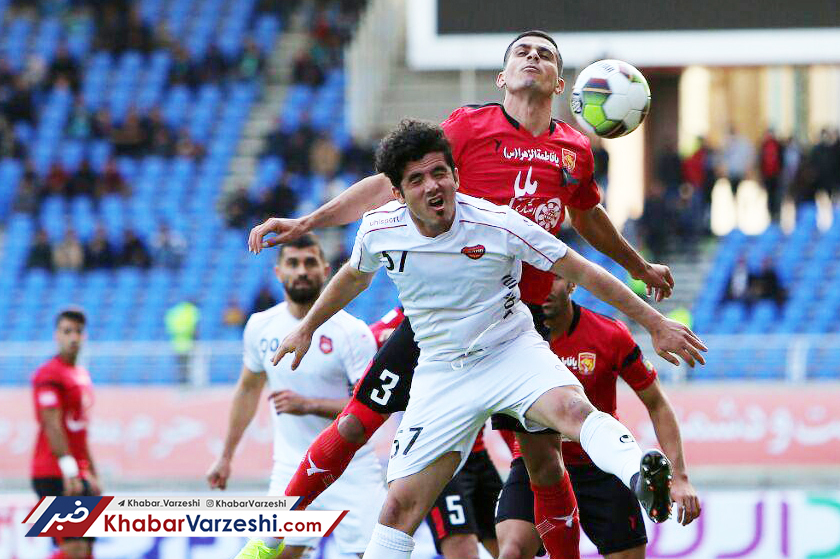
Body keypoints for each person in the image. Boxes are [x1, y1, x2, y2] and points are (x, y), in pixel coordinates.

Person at [243, 31, 678, 559]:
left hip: (515, 326)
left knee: (547, 457)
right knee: (362, 433)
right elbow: (387, 185)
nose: (533, 58)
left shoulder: (570, 155)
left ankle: (636, 474)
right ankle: (270, 538)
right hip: (435, 333)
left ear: (562, 84)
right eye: (523, 51)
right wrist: (310, 223)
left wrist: (639, 271)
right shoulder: (466, 129)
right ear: (501, 77)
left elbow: (585, 225)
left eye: (546, 54)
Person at [495, 277, 701, 559]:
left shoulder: (609, 335)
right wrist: (521, 455)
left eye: (554, 277)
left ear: (571, 284)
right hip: (538, 465)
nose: (544, 286)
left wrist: (680, 477)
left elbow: (657, 404)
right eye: (536, 276)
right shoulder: (510, 340)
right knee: (512, 551)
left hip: (600, 468)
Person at [207, 234, 385, 559]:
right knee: (274, 554)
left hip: (351, 468)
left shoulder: (352, 332)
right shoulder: (260, 326)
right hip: (291, 467)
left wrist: (309, 406)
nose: (301, 271)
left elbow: (373, 408)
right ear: (279, 273)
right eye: (292, 263)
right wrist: (226, 456)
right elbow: (248, 389)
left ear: (326, 270)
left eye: (309, 263)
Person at [372, 307, 503, 559]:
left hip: (477, 451)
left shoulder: (473, 302)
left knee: (509, 546)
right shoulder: (410, 312)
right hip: (436, 452)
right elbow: (372, 336)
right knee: (462, 549)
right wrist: (393, 341)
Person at [31, 309, 101, 559]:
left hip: (80, 471)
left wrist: (91, 471)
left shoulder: (81, 375)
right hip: (54, 471)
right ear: (56, 335)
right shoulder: (49, 374)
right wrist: (69, 468)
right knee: (73, 549)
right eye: (67, 331)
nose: (73, 337)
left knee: (87, 549)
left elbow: (80, 431)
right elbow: (52, 424)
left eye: (78, 332)